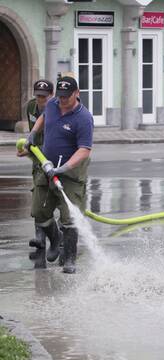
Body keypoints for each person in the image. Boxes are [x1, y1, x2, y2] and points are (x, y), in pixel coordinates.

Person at [26, 76, 93, 273]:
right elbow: (44, 116)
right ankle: (55, 240)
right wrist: (33, 133)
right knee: (39, 212)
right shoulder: (53, 103)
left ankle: (70, 260)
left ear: (77, 94)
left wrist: (63, 169)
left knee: (69, 216)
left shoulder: (83, 118)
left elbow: (84, 150)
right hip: (46, 167)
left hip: (70, 173)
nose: (62, 101)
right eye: (60, 97)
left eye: (67, 97)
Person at [17, 80, 54, 268]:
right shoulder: (31, 107)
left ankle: (61, 235)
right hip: (37, 158)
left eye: (44, 97)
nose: (40, 100)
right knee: (37, 194)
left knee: (57, 197)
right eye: (37, 95)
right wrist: (28, 148)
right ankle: (40, 237)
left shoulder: (56, 110)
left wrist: (33, 151)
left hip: (54, 158)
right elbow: (33, 132)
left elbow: (53, 139)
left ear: (52, 96)